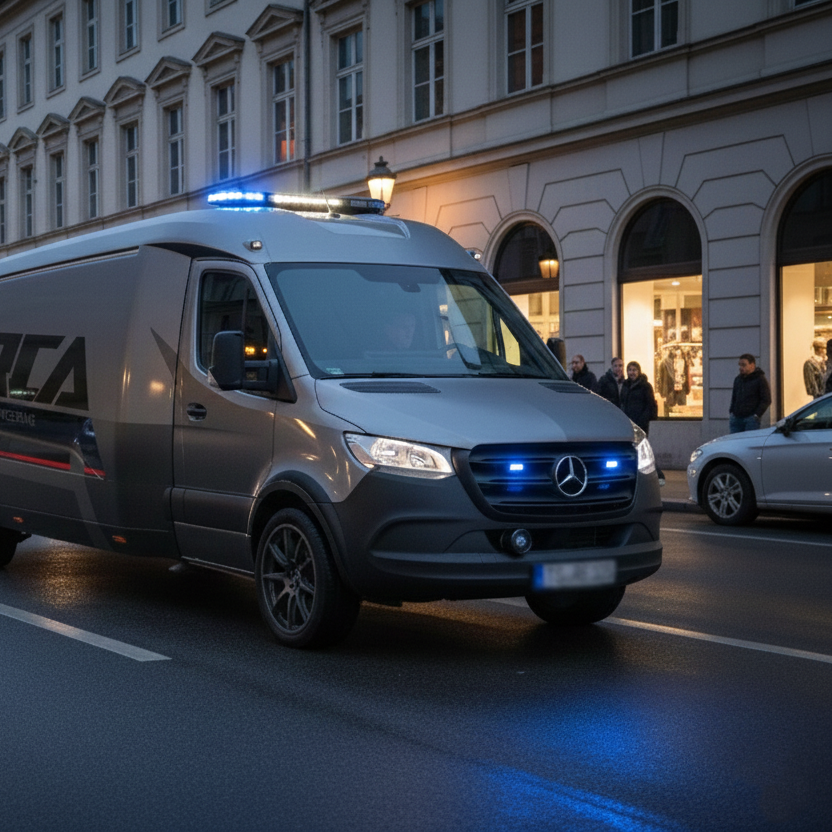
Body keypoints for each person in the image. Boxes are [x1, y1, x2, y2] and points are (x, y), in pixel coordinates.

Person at [729, 353, 771, 433]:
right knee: (735, 440)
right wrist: (732, 411)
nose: (741, 368)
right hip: (736, 418)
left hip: (750, 419)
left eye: (744, 365)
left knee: (749, 439)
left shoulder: (760, 379)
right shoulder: (738, 379)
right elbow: (734, 397)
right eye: (740, 365)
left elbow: (766, 399)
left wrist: (756, 415)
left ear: (752, 365)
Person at [620, 361, 658, 436]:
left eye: (634, 370)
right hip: (627, 423)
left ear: (639, 371)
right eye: (630, 370)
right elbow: (622, 402)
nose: (632, 372)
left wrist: (643, 420)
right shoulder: (625, 385)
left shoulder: (645, 386)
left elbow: (650, 405)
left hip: (641, 424)